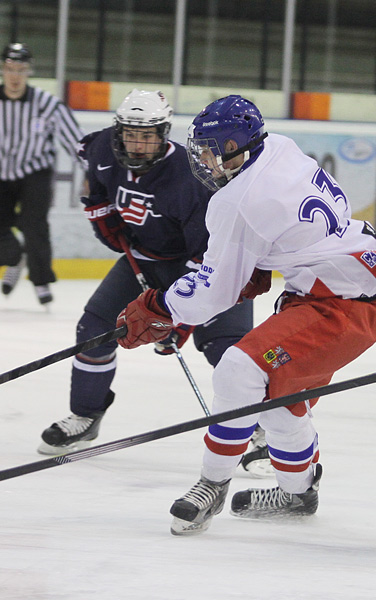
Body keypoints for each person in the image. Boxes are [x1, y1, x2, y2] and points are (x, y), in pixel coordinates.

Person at [115, 95, 376, 535]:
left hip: (339, 307)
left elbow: (211, 294)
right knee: (280, 403)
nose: (204, 160)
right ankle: (298, 493)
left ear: (234, 146)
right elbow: (281, 229)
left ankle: (212, 484)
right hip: (343, 289)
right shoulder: (279, 147)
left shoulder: (238, 201)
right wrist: (257, 265)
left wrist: (160, 307)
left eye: (210, 148)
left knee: (238, 371)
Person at [36, 90, 258, 462]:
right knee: (93, 330)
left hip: (213, 266)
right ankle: (86, 415)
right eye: (130, 134)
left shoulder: (191, 178)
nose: (137, 144)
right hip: (144, 259)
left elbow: (207, 254)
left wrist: (180, 321)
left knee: (231, 353)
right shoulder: (103, 148)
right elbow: (91, 168)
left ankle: (267, 432)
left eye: (148, 136)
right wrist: (98, 210)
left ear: (164, 134)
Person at [0, 42, 85, 305]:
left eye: (21, 70)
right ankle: (15, 260)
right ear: (2, 70)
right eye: (10, 69)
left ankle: (41, 280)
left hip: (34, 173)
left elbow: (75, 140)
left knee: (35, 225)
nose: (15, 76)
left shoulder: (46, 104)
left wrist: (91, 170)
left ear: (29, 72)